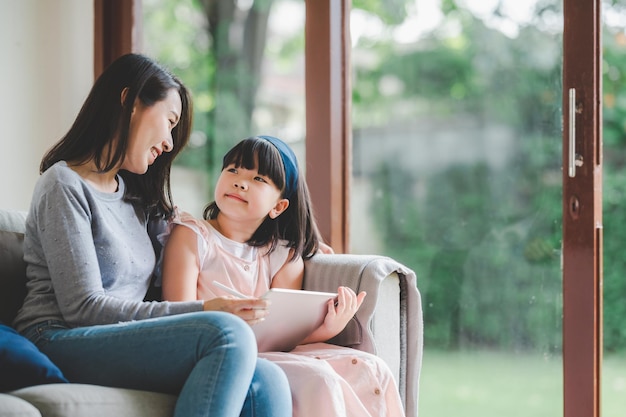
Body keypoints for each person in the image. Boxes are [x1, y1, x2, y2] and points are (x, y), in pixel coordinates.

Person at [12, 54, 292, 417]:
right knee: (225, 333)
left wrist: (294, 243)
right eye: (171, 122)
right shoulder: (63, 184)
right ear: (129, 101)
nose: (170, 143)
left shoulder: (137, 200)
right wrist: (204, 309)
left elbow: (208, 235)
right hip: (58, 337)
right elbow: (83, 309)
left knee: (269, 378)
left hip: (115, 340)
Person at [159, 135, 406, 417]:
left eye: (259, 179)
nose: (240, 181)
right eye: (233, 170)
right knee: (318, 378)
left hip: (272, 352)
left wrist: (329, 327)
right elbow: (180, 316)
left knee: (373, 368)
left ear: (278, 207)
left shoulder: (282, 255)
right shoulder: (192, 235)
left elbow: (285, 336)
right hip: (219, 351)